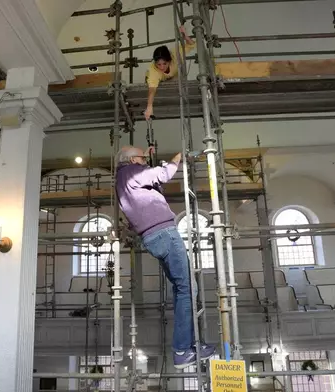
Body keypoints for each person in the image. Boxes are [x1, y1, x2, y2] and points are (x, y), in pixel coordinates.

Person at [115, 145, 216, 369]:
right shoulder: (130, 172)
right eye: (142, 158)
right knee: (189, 288)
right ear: (132, 160)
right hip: (164, 234)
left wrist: (148, 158)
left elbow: (150, 178)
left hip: (154, 237)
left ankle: (187, 346)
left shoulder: (125, 177)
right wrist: (178, 156)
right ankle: (182, 350)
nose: (144, 160)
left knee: (183, 288)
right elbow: (163, 174)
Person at [145, 26, 196, 120]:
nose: (162, 67)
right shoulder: (153, 70)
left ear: (170, 60)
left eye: (165, 63)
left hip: (173, 77)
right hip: (158, 81)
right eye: (158, 64)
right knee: (154, 86)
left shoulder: (175, 54)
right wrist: (149, 107)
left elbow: (192, 45)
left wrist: (186, 36)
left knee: (179, 82)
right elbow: (152, 89)